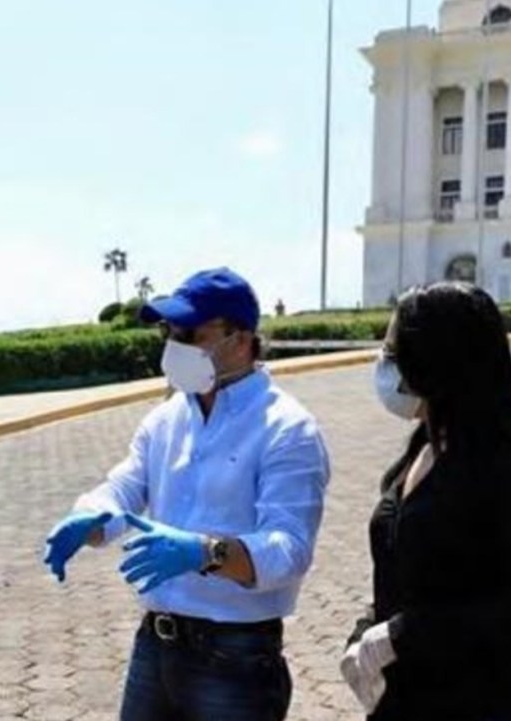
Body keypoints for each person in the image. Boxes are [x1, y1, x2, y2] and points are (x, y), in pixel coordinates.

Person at [43, 267, 331, 721]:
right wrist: (93, 516)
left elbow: (289, 549)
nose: (173, 345)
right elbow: (127, 485)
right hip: (155, 646)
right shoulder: (168, 418)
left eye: (189, 333)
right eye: (168, 331)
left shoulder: (287, 428)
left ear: (240, 339)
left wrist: (205, 552)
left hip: (235, 657)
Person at [341, 282, 511, 720]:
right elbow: (408, 571)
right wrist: (366, 630)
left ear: (436, 360)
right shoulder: (421, 449)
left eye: (394, 350)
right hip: (404, 699)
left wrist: (405, 634)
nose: (385, 363)